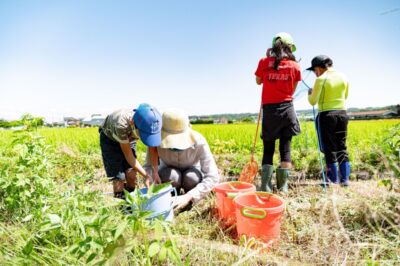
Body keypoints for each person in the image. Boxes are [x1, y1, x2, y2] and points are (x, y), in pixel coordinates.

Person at [144, 108, 219, 210]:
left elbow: (213, 176)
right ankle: (170, 197)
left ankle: (189, 202)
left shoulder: (199, 142)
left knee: (192, 178)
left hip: (192, 171)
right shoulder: (155, 143)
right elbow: (148, 166)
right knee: (171, 176)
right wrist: (151, 181)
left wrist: (189, 196)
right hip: (168, 171)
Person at [254, 32, 301, 194]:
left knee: (268, 149)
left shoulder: (264, 62)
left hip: (270, 110)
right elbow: (293, 89)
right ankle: (283, 189)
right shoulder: (295, 66)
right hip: (287, 109)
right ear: (290, 48)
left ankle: (265, 188)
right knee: (285, 149)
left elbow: (258, 81)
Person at [99, 104, 162, 198]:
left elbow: (152, 147)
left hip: (129, 137)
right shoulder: (121, 124)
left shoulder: (153, 123)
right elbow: (129, 156)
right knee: (119, 178)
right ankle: (120, 202)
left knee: (131, 174)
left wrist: (155, 172)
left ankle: (130, 199)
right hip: (110, 139)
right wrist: (147, 176)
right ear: (133, 123)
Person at [307, 55, 350, 186]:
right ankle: (345, 181)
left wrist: (310, 93)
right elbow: (346, 96)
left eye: (314, 71)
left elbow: (313, 101)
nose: (315, 74)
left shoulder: (321, 79)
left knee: (329, 148)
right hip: (342, 114)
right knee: (342, 146)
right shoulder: (343, 76)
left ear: (318, 68)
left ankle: (332, 181)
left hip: (326, 116)